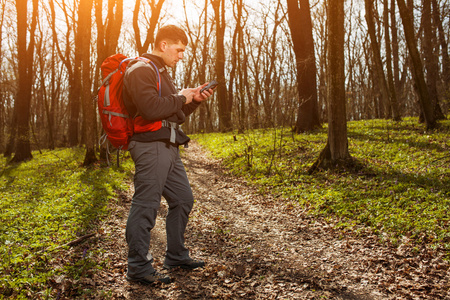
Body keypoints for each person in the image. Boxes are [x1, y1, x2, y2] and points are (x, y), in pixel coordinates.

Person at [123, 25, 215, 285]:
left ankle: (175, 255)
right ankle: (138, 266)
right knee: (146, 206)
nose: (181, 56)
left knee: (183, 199)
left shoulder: (161, 73)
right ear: (163, 45)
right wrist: (180, 97)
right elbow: (151, 109)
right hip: (149, 146)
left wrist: (193, 99)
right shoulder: (141, 69)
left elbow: (175, 115)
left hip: (169, 146)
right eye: (179, 50)